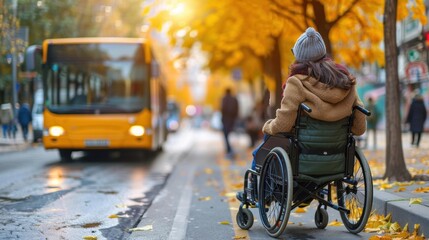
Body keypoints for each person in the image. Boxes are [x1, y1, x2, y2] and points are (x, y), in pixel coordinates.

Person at [237, 27, 367, 202]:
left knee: (265, 146)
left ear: (299, 56)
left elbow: (283, 124)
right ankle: (313, 192)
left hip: (304, 155)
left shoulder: (296, 83)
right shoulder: (346, 81)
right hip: (336, 155)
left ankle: (257, 193)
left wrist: (268, 126)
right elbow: (359, 127)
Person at [221, 88, 239, 157]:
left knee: (226, 135)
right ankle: (232, 150)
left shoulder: (224, 99)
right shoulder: (234, 99)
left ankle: (229, 149)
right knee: (233, 135)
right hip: (233, 120)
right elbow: (237, 109)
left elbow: (222, 109)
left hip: (226, 120)